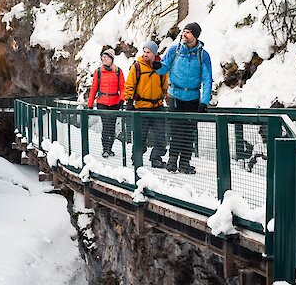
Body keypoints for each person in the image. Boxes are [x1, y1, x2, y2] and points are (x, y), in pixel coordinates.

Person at [153, 22, 212, 173]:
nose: (184, 34)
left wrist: (204, 102)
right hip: (176, 95)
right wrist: (157, 67)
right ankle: (172, 161)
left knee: (189, 131)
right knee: (176, 130)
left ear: (195, 35)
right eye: (184, 31)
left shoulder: (203, 55)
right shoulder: (175, 49)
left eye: (188, 32)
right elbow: (165, 67)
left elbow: (207, 78)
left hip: (193, 97)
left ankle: (185, 163)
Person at [123, 40, 169, 168]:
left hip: (157, 106)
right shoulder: (137, 66)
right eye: (144, 51)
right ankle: (136, 158)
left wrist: (166, 97)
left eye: (148, 52)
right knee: (140, 136)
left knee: (160, 135)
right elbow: (129, 84)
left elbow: (165, 85)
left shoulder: (160, 68)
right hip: (141, 107)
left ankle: (156, 158)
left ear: (154, 53)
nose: (145, 54)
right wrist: (129, 101)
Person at [87, 48, 125, 157]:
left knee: (112, 126)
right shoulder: (98, 72)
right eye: (103, 57)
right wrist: (90, 104)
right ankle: (105, 148)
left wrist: (122, 99)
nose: (104, 59)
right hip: (102, 102)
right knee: (106, 125)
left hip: (114, 102)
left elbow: (123, 87)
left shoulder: (118, 71)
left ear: (111, 59)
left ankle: (110, 148)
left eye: (106, 57)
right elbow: (94, 88)